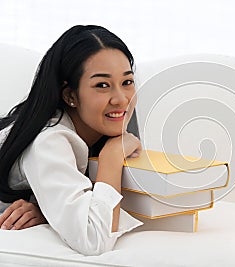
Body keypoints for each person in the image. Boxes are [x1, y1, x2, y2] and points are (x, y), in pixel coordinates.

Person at [0, 25, 143, 255]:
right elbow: (94, 238)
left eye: (127, 81)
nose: (121, 99)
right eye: (102, 85)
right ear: (70, 95)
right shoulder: (49, 140)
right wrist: (112, 158)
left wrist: (47, 209)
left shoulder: (113, 121)